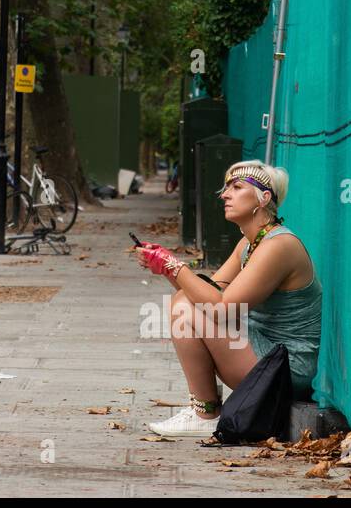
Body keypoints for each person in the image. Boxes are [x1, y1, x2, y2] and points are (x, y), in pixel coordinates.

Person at [134, 159, 321, 437]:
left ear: (264, 197)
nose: (224, 195)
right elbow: (209, 290)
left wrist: (174, 265)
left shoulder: (279, 246)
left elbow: (221, 308)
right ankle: (204, 411)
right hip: (265, 351)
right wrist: (162, 266)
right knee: (185, 300)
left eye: (236, 187)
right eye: (225, 188)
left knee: (186, 305)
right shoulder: (250, 242)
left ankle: (205, 414)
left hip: (286, 368)